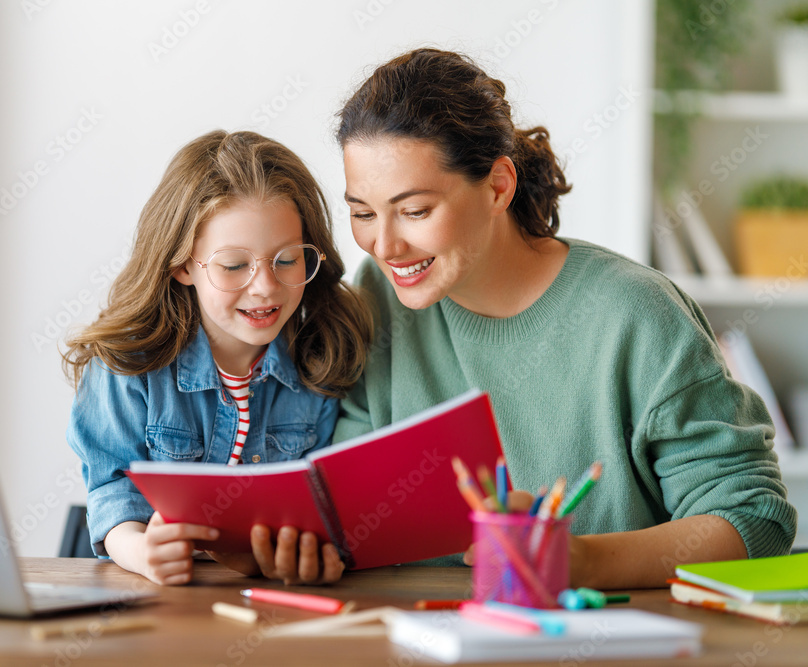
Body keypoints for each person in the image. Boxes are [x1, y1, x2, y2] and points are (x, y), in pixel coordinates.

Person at [332, 48, 797, 588]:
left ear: (498, 187)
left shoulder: (635, 315)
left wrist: (580, 561)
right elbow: (348, 501)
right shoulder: (374, 299)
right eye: (362, 213)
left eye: (415, 211)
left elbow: (754, 520)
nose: (384, 245)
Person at [64, 130, 372, 585]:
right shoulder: (127, 363)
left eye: (287, 260)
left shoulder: (322, 359)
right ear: (183, 264)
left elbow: (326, 511)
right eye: (233, 266)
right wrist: (143, 551)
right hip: (160, 598)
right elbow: (113, 492)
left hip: (266, 598)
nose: (265, 286)